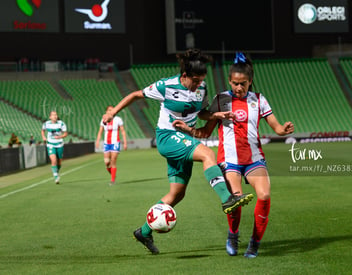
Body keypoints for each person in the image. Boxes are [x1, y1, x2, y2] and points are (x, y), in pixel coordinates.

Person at [102, 48, 254, 255]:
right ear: (184, 76)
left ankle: (144, 232)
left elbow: (201, 113)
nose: (198, 84)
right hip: (167, 137)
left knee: (177, 194)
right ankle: (227, 199)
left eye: (201, 80)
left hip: (185, 139)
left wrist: (216, 114)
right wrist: (113, 112)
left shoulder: (202, 88)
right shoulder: (166, 86)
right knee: (208, 154)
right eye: (195, 80)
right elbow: (135, 95)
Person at [173, 52, 294, 258]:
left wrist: (284, 129)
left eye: (243, 83)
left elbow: (276, 127)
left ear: (250, 81)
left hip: (254, 159)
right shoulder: (221, 100)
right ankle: (233, 234)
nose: (239, 87)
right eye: (235, 83)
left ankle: (255, 242)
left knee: (264, 195)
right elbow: (206, 132)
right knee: (235, 201)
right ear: (230, 81)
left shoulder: (259, 100)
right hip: (230, 161)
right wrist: (187, 129)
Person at [96, 106, 127, 185]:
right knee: (106, 162)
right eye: (109, 110)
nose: (110, 111)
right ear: (106, 111)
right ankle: (113, 175)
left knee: (113, 161)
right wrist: (97, 141)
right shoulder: (104, 120)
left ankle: (112, 180)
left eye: (112, 110)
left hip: (115, 143)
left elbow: (123, 131)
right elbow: (100, 131)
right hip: (107, 143)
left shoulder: (118, 119)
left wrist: (125, 142)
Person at [41, 111, 68, 184]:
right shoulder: (46, 124)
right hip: (50, 144)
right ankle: (56, 176)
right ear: (50, 117)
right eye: (53, 115)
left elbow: (65, 134)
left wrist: (60, 136)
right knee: (54, 160)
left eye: (56, 115)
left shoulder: (61, 123)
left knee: (59, 162)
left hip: (59, 144)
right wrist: (43, 137)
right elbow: (43, 131)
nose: (55, 116)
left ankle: (57, 172)